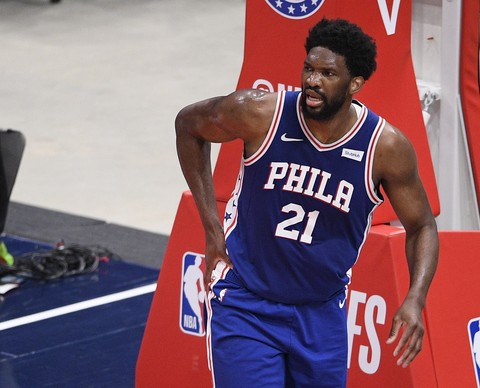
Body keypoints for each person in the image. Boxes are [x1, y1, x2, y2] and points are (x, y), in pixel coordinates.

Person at [176, 18, 438, 387]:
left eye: (327, 73)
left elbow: (422, 225)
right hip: (246, 303)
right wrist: (211, 225)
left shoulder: (385, 148)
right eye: (309, 69)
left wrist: (415, 297)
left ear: (355, 84)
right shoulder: (260, 113)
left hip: (320, 314)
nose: (312, 81)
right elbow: (188, 125)